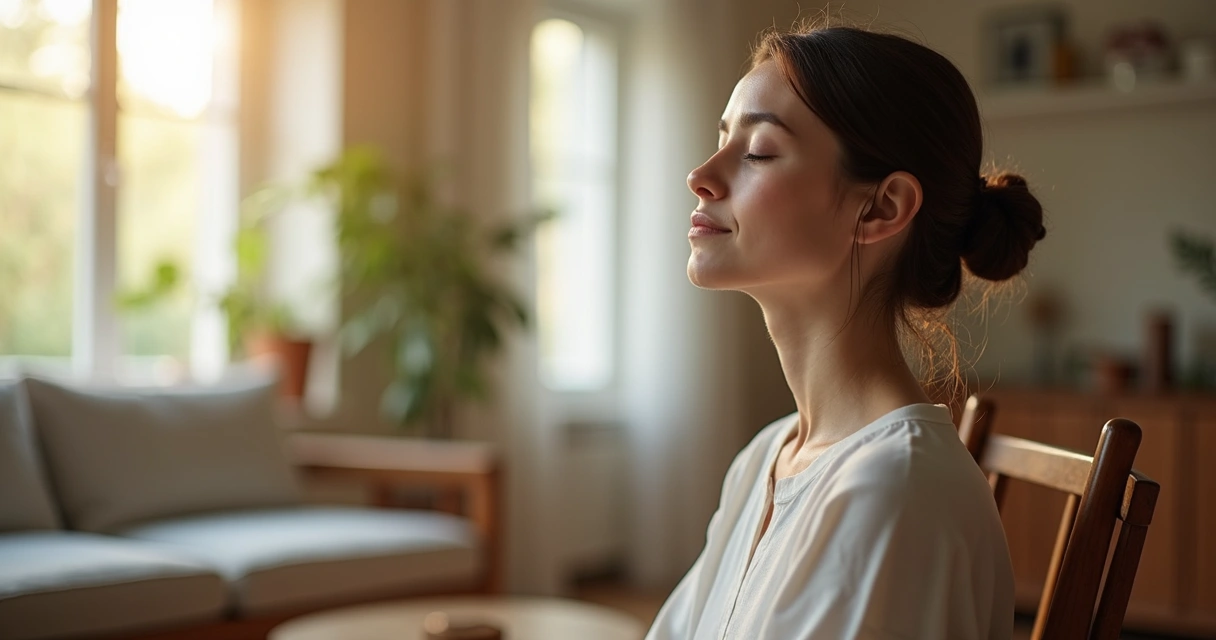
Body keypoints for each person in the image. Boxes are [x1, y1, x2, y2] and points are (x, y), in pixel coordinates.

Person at [645, 22, 1046, 640]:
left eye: (758, 152)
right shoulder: (767, 458)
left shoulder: (894, 492)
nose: (701, 174)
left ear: (882, 208)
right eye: (722, 139)